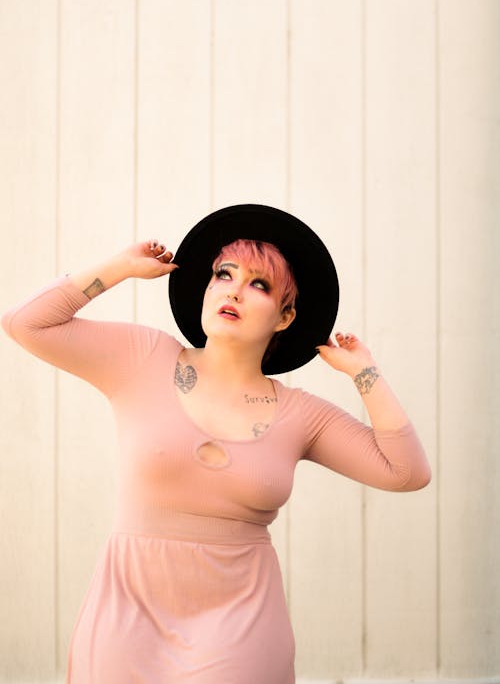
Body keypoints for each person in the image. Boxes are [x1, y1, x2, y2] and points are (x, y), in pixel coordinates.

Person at [1, 204, 431, 684]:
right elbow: (25, 324)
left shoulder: (301, 414)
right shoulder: (143, 357)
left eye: (259, 285)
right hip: (128, 613)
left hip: (241, 624)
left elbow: (407, 472)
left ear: (285, 316)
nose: (234, 290)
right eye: (224, 274)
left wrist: (364, 374)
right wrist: (120, 267)